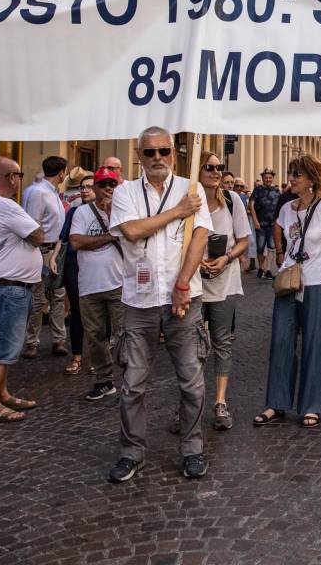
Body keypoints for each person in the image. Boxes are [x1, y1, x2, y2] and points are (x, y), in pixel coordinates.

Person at [106, 127, 212, 482]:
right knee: (133, 383)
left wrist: (183, 281)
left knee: (191, 380)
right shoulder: (125, 191)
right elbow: (132, 231)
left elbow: (200, 236)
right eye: (149, 152)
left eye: (163, 151)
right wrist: (177, 212)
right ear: (139, 155)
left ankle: (193, 448)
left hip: (184, 298)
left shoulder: (190, 189)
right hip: (139, 302)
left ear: (173, 154)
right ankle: (131, 451)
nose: (157, 159)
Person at [255, 155, 321, 429]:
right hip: (288, 283)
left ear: (312, 180)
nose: (291, 178)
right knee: (281, 341)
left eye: (297, 174)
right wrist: (283, 259)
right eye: (291, 173)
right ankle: (277, 403)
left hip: (319, 284)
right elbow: (283, 234)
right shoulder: (287, 209)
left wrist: (317, 271)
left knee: (314, 346)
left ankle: (311, 406)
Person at [0, 157, 44, 423]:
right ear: (11, 177)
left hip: (2, 286)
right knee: (0, 348)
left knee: (4, 345)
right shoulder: (3, 205)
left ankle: (1, 393)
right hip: (8, 289)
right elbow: (38, 235)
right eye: (19, 175)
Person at [198, 157, 250, 431]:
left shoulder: (232, 200)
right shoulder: (189, 203)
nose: (216, 172)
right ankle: (189, 403)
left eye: (219, 167)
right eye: (210, 167)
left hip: (225, 281)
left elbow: (244, 240)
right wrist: (196, 261)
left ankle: (220, 402)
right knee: (191, 345)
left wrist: (227, 258)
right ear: (198, 171)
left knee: (222, 342)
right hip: (194, 282)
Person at [68, 167, 124, 402]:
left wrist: (113, 214)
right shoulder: (82, 212)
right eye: (103, 184)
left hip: (119, 282)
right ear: (95, 188)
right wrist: (109, 236)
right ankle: (104, 380)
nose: (108, 188)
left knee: (125, 334)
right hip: (90, 285)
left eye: (112, 184)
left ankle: (131, 379)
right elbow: (76, 242)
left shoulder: (122, 211)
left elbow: (130, 236)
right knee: (95, 336)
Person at [23, 155, 68, 358]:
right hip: (41, 251)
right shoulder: (38, 192)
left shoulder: (53, 192)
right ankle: (32, 342)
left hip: (56, 250)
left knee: (58, 296)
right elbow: (33, 224)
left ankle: (59, 339)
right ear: (61, 173)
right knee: (37, 298)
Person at [58, 172, 95, 376]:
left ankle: (99, 354)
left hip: (96, 265)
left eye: (89, 186)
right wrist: (55, 257)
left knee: (98, 309)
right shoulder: (73, 212)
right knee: (77, 308)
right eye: (82, 187)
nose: (85, 190)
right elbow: (63, 238)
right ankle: (77, 356)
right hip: (74, 262)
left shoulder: (108, 211)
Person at [249, 169, 281, 278]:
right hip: (260, 224)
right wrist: (255, 220)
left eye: (270, 177)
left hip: (273, 224)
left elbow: (280, 207)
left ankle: (266, 269)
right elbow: (251, 205)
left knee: (272, 247)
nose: (268, 179)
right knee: (260, 248)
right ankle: (261, 267)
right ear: (263, 178)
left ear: (272, 178)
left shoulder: (277, 191)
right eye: (266, 177)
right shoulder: (257, 190)